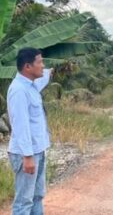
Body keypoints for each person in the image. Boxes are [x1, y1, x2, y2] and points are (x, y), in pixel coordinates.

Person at [7, 48, 53, 215]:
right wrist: (27, 157)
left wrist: (55, 69)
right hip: (26, 154)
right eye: (40, 62)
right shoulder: (19, 90)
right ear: (28, 66)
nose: (43, 65)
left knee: (37, 196)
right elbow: (20, 126)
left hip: (38, 150)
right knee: (24, 201)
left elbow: (45, 75)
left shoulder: (32, 85)